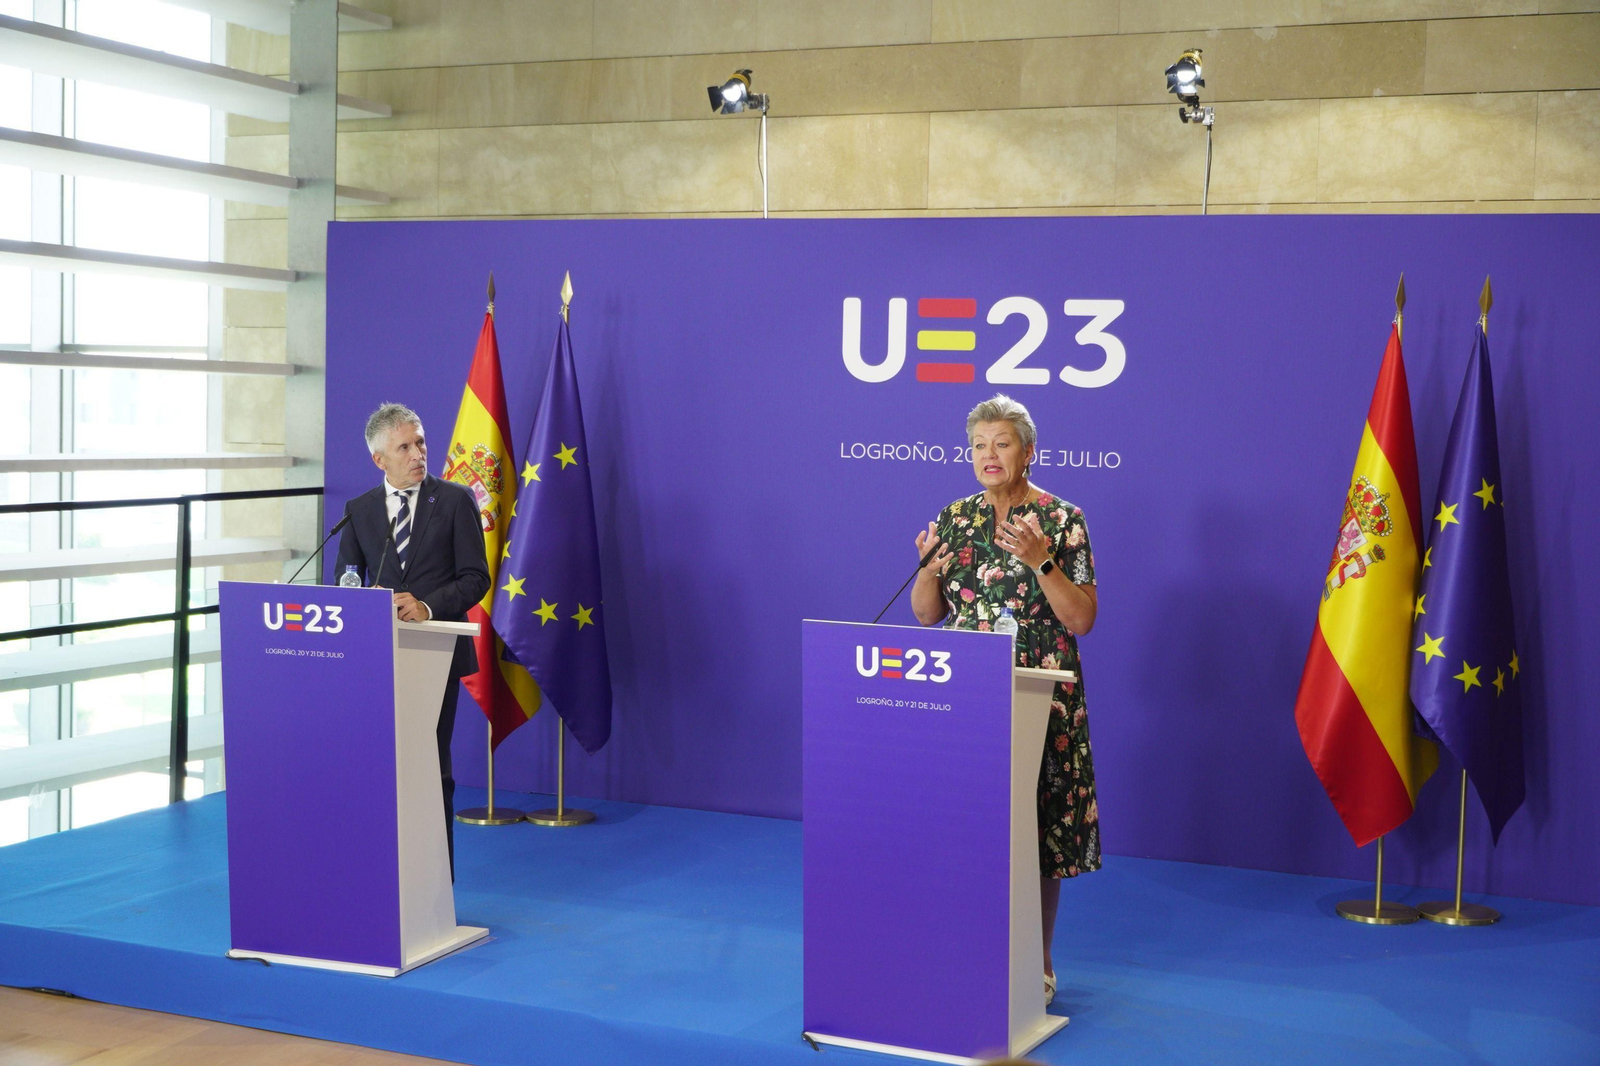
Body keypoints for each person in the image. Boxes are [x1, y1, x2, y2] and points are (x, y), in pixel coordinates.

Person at [910, 394, 1100, 1007]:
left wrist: (1042, 561)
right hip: (968, 699)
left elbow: (1083, 619)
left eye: (1003, 443)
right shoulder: (955, 519)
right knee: (970, 828)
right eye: (979, 446)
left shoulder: (1063, 520)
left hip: (1041, 698)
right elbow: (928, 615)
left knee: (1038, 831)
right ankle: (966, 950)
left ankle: (1036, 964)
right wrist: (925, 571)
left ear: (1028, 451)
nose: (990, 456)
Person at [334, 403, 490, 879]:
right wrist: (356, 597)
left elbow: (475, 578)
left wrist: (425, 607)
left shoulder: (456, 501)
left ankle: (435, 878)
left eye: (420, 442)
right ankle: (378, 870)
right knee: (376, 768)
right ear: (380, 459)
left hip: (434, 653)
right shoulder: (358, 511)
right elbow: (346, 577)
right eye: (404, 447)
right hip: (374, 658)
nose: (418, 454)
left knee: (429, 765)